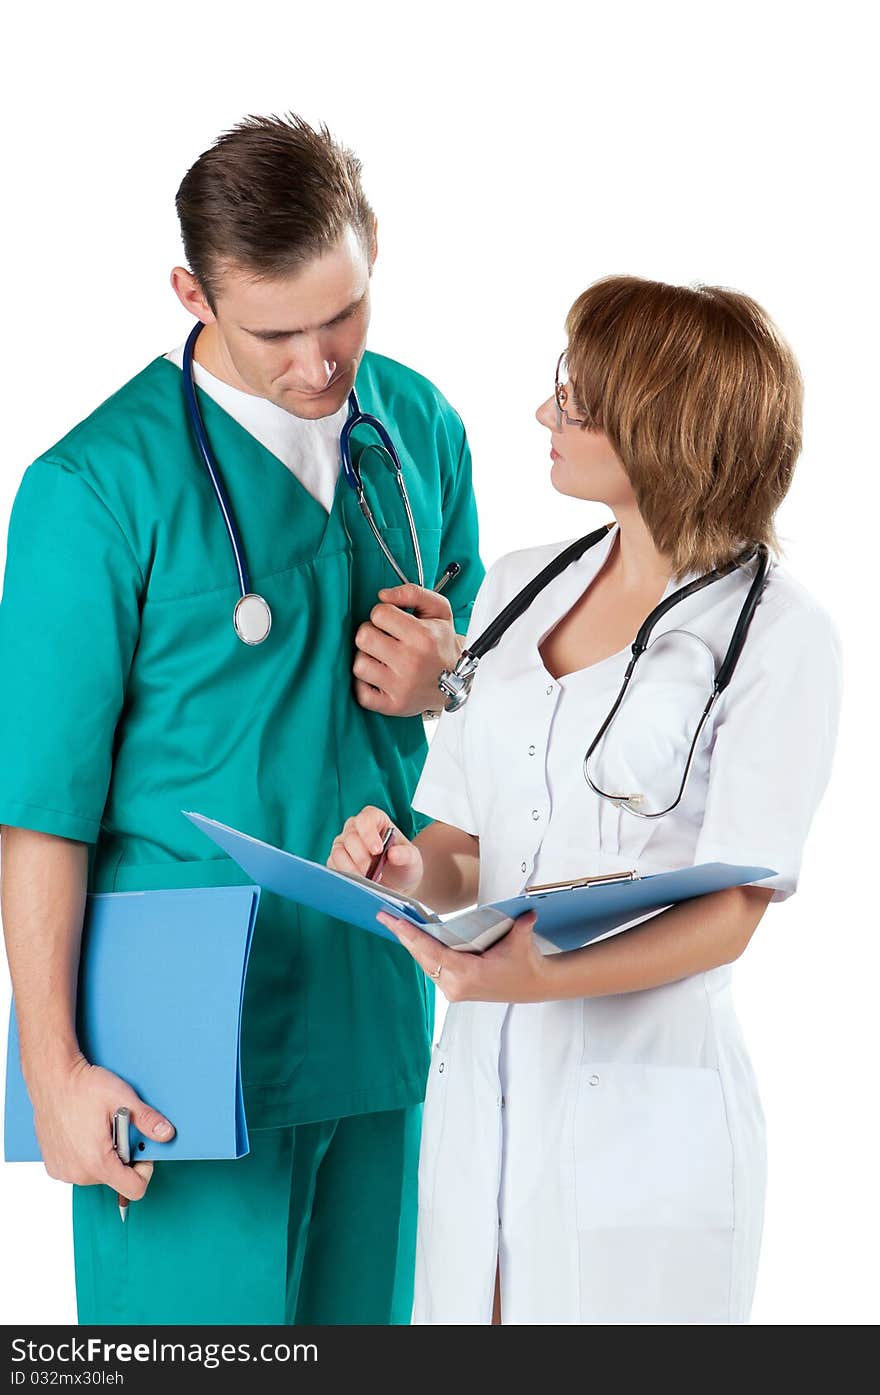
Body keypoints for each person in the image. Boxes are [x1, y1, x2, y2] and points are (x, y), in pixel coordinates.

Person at [0, 113, 483, 1325]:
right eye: (277, 330)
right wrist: (53, 1071)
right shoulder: (93, 489)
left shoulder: (416, 431)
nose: (321, 363)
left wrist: (449, 678)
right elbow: (39, 809)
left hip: (372, 1005)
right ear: (191, 292)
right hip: (171, 1046)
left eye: (345, 315)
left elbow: (497, 729)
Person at [329, 275, 842, 1325]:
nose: (544, 415)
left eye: (574, 397)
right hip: (479, 1115)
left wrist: (538, 977)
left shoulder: (779, 636)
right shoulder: (522, 585)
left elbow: (730, 913)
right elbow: (466, 847)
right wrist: (408, 869)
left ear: (657, 427)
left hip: (640, 1122)